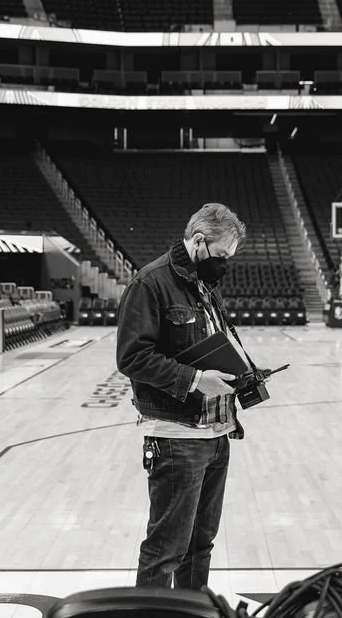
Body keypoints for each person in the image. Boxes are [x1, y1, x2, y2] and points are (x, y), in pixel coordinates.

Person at [116, 202, 247, 591]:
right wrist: (194, 379)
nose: (225, 264)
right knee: (165, 550)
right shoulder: (150, 282)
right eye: (222, 255)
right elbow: (132, 357)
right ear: (199, 241)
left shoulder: (204, 286)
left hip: (216, 432)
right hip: (177, 436)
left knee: (199, 546)